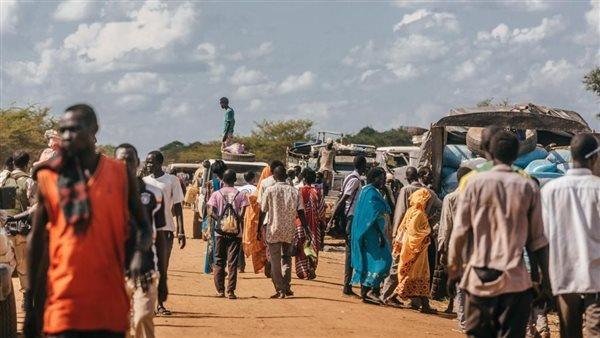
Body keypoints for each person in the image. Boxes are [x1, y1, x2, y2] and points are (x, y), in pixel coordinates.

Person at [25, 104, 152, 338]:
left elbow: (144, 227)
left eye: (73, 129)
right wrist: (30, 302)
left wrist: (138, 255)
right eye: (62, 130)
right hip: (63, 302)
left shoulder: (121, 174)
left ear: (94, 129)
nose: (66, 136)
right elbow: (36, 240)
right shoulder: (48, 176)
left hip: (109, 305)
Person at [447, 131, 551, 338]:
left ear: (489, 152)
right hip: (515, 281)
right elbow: (537, 242)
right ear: (516, 155)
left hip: (479, 280)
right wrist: (544, 281)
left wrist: (453, 270)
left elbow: (459, 234)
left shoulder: (472, 183)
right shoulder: (528, 186)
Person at [541, 133, 600, 338]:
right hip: (596, 277)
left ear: (571, 157)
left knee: (569, 333)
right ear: (594, 158)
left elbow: (543, 237)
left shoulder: (550, 190)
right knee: (596, 331)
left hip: (564, 276)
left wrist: (544, 277)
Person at [116, 144, 161, 338]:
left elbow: (153, 231)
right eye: (121, 160)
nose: (125, 164)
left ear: (137, 163)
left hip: (145, 269)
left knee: (142, 318)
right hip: (114, 271)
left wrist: (164, 277)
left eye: (129, 160)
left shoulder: (150, 193)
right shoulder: (105, 194)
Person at [381, 166, 441, 307]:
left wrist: (395, 233)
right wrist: (429, 222)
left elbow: (400, 213)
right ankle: (414, 300)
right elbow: (441, 207)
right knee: (417, 268)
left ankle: (386, 295)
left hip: (405, 235)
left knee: (398, 265)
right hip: (421, 238)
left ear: (408, 178)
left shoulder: (406, 191)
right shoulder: (429, 193)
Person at [143, 150, 186, 316]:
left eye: (151, 162)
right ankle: (149, 304)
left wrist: (181, 231)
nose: (148, 165)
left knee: (162, 268)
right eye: (147, 162)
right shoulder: (144, 182)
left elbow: (178, 207)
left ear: (159, 163)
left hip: (165, 231)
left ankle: (160, 304)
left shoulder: (171, 181)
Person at [260, 166, 309, 299]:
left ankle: (280, 289)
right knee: (286, 258)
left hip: (273, 229)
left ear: (274, 177)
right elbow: (300, 212)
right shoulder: (294, 191)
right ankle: (286, 287)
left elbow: (263, 210)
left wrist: (259, 228)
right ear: (286, 176)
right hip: (289, 230)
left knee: (275, 261)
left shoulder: (270, 190)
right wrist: (306, 228)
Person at [435, 166, 472, 322]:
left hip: (454, 245)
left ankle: (456, 309)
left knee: (454, 278)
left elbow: (446, 225)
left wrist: (442, 247)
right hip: (473, 247)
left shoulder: (450, 198)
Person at [350, 167, 391, 304]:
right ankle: (369, 290)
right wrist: (379, 234)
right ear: (374, 178)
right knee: (384, 261)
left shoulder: (371, 191)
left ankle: (366, 292)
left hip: (373, 232)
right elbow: (370, 216)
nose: (384, 179)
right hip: (372, 233)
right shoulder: (370, 193)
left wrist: (387, 191)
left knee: (371, 262)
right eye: (382, 177)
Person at [328, 155, 367, 297]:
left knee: (351, 251)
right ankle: (347, 286)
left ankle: (348, 285)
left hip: (350, 217)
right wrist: (331, 218)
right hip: (351, 218)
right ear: (362, 165)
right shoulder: (356, 180)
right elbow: (343, 199)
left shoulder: (349, 177)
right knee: (350, 253)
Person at [207, 169, 248, 299]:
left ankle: (220, 290)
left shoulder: (216, 194)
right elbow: (242, 213)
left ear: (222, 180)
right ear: (235, 180)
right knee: (233, 262)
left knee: (219, 260)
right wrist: (235, 222)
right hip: (235, 233)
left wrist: (221, 220)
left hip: (220, 232)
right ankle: (231, 291)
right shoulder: (241, 195)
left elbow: (210, 211)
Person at [393, 187, 435, 313]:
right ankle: (392, 296)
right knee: (418, 274)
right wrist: (427, 232)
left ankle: (423, 304)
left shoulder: (411, 211)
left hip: (411, 248)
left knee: (414, 274)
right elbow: (414, 232)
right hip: (417, 249)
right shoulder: (419, 214)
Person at [2, 151, 36, 306]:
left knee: (4, 264)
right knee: (23, 266)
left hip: (3, 231)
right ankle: (26, 298)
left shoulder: (2, 179)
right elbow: (35, 206)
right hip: (21, 230)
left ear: (13, 162)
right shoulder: (29, 182)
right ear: (27, 164)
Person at [293, 168, 325, 280]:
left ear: (304, 178)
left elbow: (295, 209)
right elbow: (321, 212)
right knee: (312, 246)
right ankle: (311, 267)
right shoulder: (318, 192)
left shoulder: (298, 190)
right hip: (314, 225)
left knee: (301, 246)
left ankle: (303, 272)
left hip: (299, 223)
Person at [242, 167, 271, 275]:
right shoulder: (258, 188)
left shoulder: (261, 186)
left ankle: (264, 266)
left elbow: (256, 204)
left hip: (260, 220)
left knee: (261, 244)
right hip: (274, 221)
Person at [202, 160, 227, 275]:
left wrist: (205, 218)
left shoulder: (210, 183)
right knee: (224, 241)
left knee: (212, 241)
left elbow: (207, 202)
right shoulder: (227, 184)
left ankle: (211, 266)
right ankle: (220, 266)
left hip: (212, 216)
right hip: (225, 216)